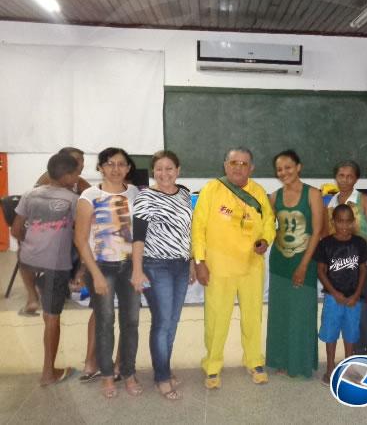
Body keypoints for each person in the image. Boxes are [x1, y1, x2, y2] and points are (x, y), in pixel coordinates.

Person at [192, 147, 275, 389]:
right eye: (234, 162)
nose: (238, 167)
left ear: (252, 168)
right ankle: (212, 365)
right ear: (225, 165)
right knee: (217, 319)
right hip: (218, 267)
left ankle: (254, 361)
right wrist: (199, 262)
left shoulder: (258, 192)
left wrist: (265, 240)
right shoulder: (211, 189)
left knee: (252, 317)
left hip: (251, 266)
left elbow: (269, 222)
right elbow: (198, 228)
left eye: (244, 163)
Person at [74, 147, 142, 399]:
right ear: (100, 167)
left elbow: (139, 235)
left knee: (131, 322)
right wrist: (96, 274)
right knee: (104, 322)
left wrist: (138, 268)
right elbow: (80, 240)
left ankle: (128, 372)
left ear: (128, 168)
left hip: (129, 267)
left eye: (121, 164)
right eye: (110, 164)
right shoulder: (88, 196)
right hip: (101, 267)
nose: (116, 169)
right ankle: (106, 375)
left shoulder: (136, 193)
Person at [11, 153, 80, 386]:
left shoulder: (30, 194)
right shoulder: (73, 200)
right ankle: (48, 373)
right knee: (52, 318)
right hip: (54, 265)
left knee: (27, 260)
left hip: (28, 260)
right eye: (77, 173)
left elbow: (16, 230)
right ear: (70, 176)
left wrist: (34, 243)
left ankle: (32, 296)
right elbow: (79, 235)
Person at [131, 150, 194, 400]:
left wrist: (189, 262)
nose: (164, 173)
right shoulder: (145, 197)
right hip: (155, 266)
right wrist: (137, 271)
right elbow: (137, 237)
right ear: (152, 172)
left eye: (169, 168)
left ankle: (163, 368)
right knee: (162, 322)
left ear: (178, 170)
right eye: (159, 169)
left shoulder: (185, 194)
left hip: (180, 265)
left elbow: (188, 232)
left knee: (173, 321)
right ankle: (161, 378)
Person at [265, 150, 323, 378]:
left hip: (304, 262)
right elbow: (266, 229)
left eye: (288, 167)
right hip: (279, 263)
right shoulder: (273, 197)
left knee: (302, 313)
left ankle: (299, 363)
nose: (283, 172)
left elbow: (317, 231)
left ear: (299, 167)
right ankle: (280, 360)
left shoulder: (313, 194)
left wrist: (302, 266)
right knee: (280, 313)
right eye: (279, 169)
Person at [19, 146, 90, 317]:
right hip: (49, 229)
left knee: (83, 235)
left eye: (82, 160)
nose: (81, 164)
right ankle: (32, 296)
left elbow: (91, 196)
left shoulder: (77, 180)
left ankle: (77, 278)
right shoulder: (47, 180)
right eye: (77, 160)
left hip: (68, 228)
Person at [324, 160, 367, 358]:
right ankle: (355, 355)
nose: (345, 180)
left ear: (356, 179)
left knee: (361, 312)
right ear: (336, 177)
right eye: (341, 175)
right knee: (346, 314)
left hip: (360, 268)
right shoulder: (332, 202)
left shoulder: (364, 200)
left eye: (350, 176)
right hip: (337, 270)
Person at [315, 204, 367, 385]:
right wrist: (334, 293)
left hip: (354, 299)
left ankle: (349, 368)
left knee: (351, 334)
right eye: (340, 221)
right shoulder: (326, 243)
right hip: (332, 298)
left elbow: (363, 270)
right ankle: (330, 369)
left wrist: (356, 294)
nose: (344, 226)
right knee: (330, 334)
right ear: (333, 222)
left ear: (353, 222)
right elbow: (321, 271)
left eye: (347, 222)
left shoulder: (359, 243)